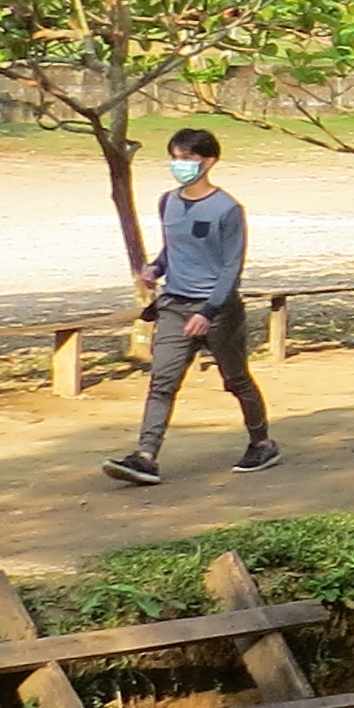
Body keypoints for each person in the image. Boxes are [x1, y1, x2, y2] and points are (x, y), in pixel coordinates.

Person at [104, 127, 280, 486]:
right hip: (173, 305)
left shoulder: (227, 209)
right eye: (175, 157)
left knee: (236, 379)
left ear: (209, 161)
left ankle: (261, 441)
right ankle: (145, 456)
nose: (179, 165)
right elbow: (174, 248)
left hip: (217, 311)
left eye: (188, 158)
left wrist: (209, 312)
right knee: (162, 382)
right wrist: (156, 267)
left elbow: (232, 266)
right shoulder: (167, 202)